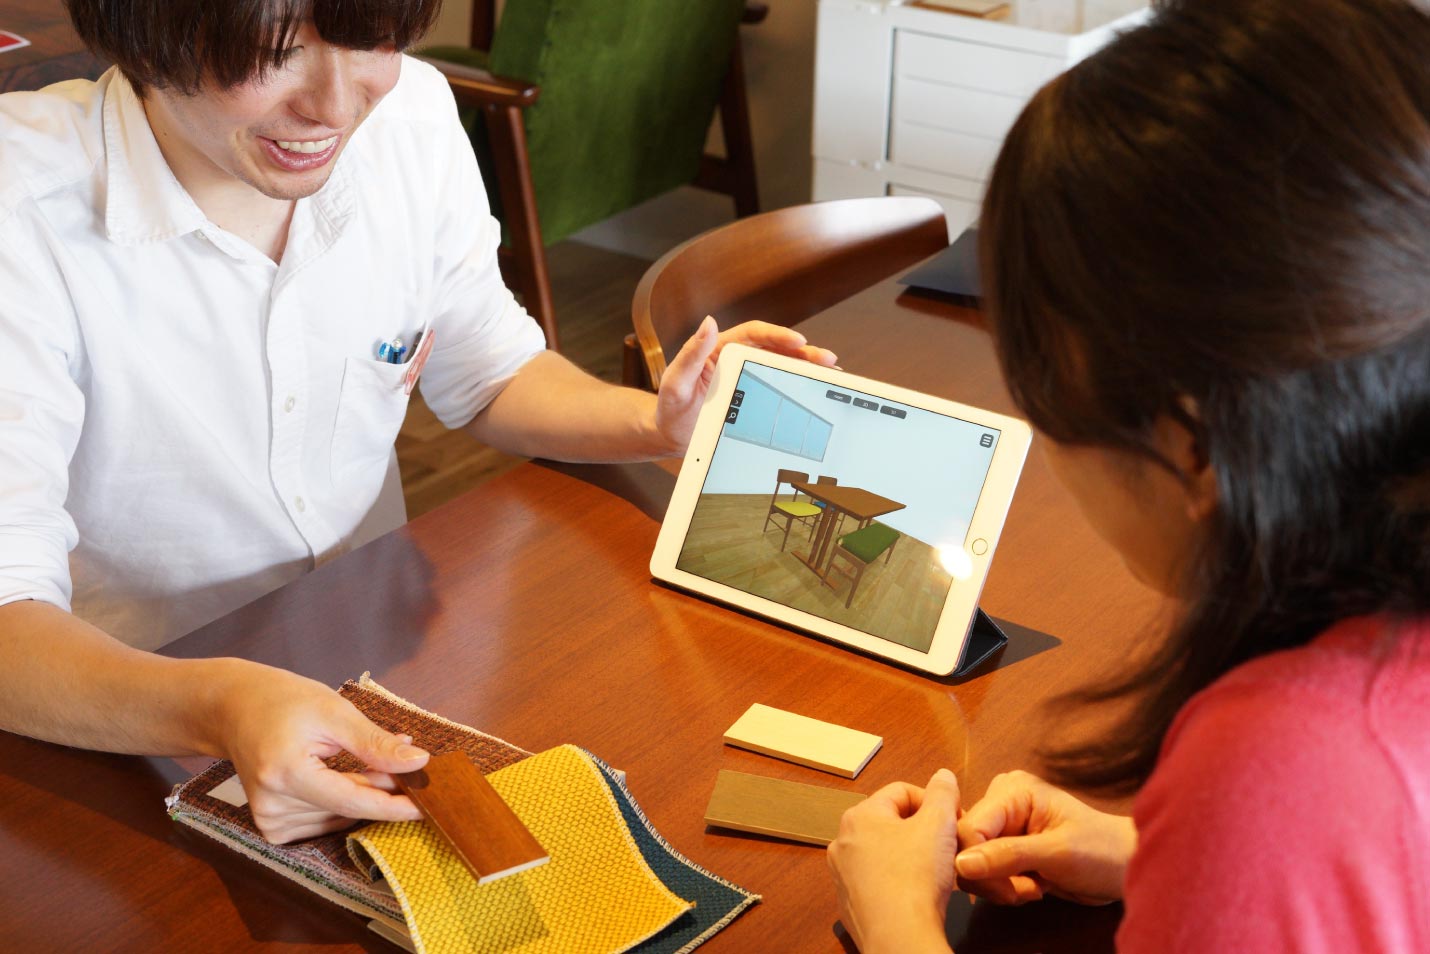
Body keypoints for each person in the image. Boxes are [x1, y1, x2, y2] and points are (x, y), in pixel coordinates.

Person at [0, 0, 835, 845]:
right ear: (147, 33)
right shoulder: (22, 205)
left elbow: (492, 370)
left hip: (376, 661)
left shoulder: (412, 120)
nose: (334, 106)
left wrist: (658, 423)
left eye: (372, 41)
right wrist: (220, 705)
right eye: (273, 53)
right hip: (115, 730)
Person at [826, 0, 1430, 949]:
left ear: (1192, 447)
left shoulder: (1281, 760)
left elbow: (1320, 830)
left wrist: (895, 919)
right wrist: (1164, 851)